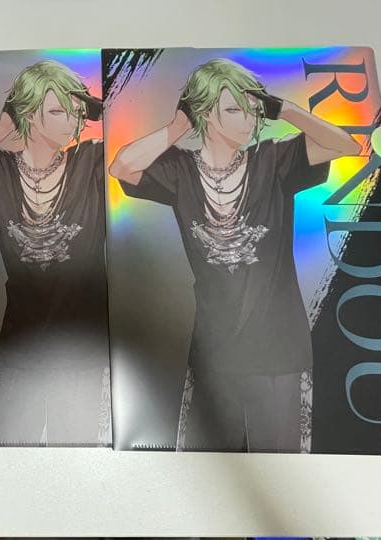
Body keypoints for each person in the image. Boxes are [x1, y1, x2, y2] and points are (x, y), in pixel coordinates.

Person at [109, 58, 361, 452]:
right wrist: (178, 127)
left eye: (252, 110)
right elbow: (121, 166)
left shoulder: (273, 160)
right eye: (233, 109)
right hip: (214, 350)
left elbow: (346, 145)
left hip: (278, 349)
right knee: (209, 470)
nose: (247, 120)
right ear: (205, 113)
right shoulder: (180, 171)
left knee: (278, 468)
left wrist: (286, 110)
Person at [0, 60, 111, 446]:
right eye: (57, 111)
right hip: (20, 343)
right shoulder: (0, 170)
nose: (71, 121)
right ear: (27, 115)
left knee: (78, 459)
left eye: (75, 111)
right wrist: (2, 128)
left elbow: (130, 160)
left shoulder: (89, 161)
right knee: (7, 452)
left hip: (83, 346)